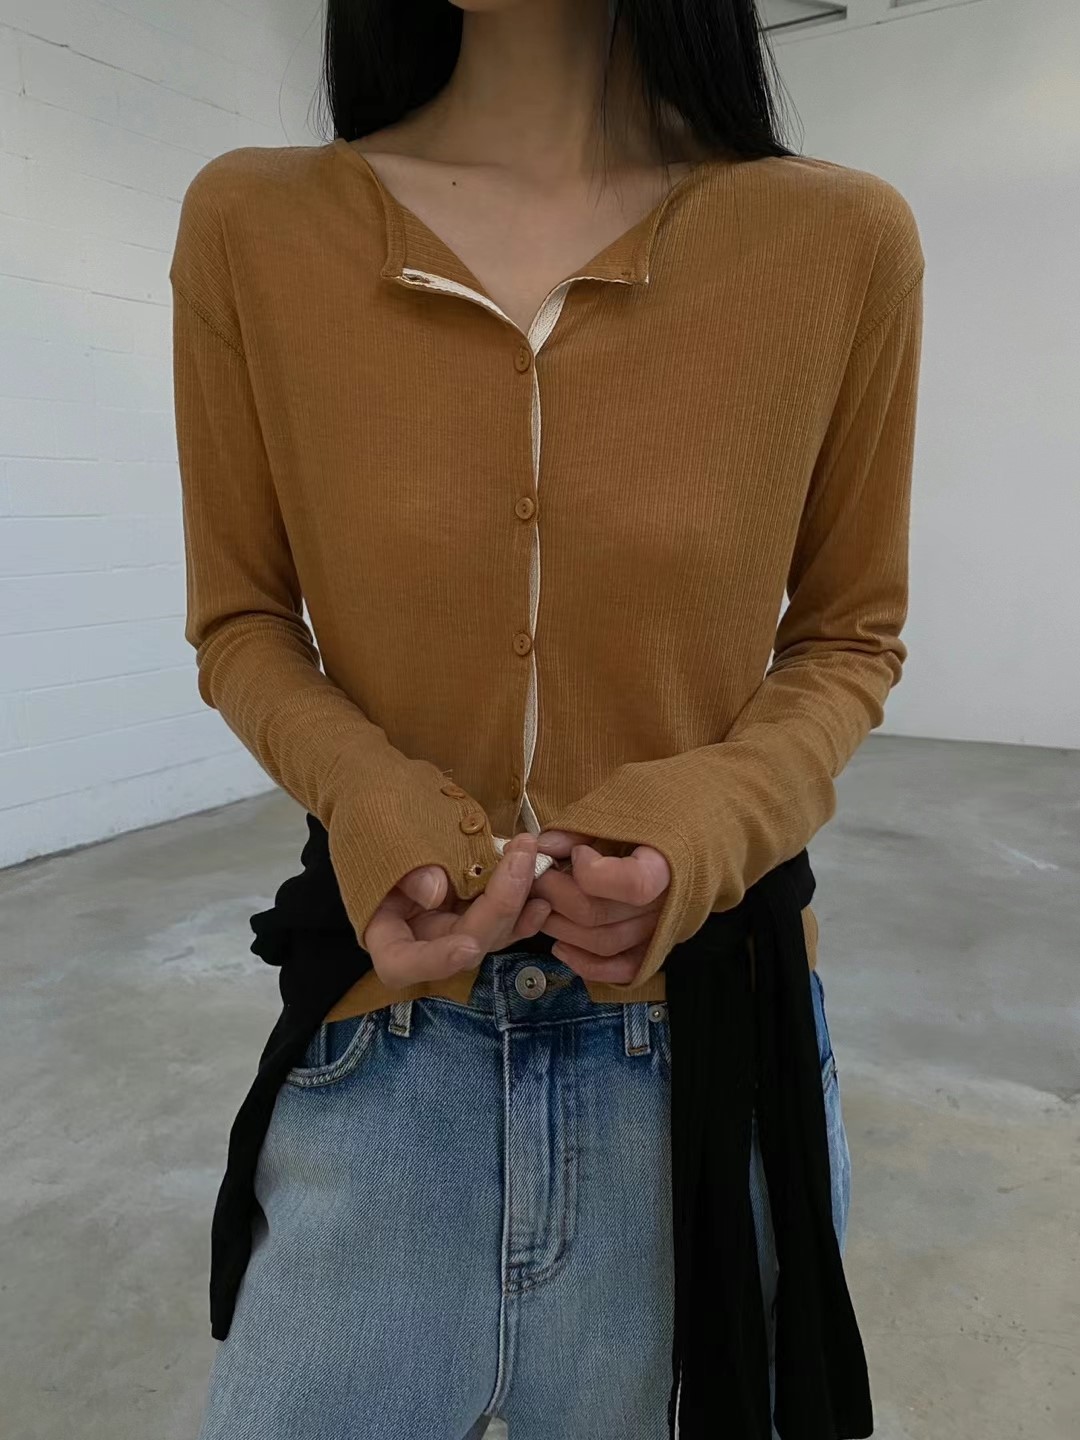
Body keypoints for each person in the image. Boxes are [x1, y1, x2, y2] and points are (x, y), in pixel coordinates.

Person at [170, 1, 924, 1436]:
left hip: (701, 1065)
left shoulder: (841, 242)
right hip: (387, 1048)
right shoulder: (254, 226)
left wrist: (706, 820)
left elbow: (847, 636)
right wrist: (370, 798)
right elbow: (242, 618)